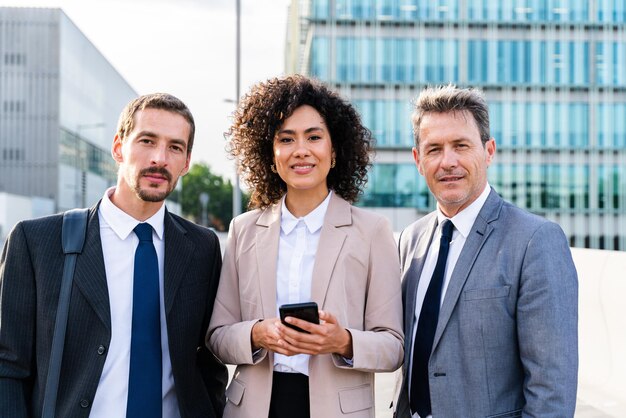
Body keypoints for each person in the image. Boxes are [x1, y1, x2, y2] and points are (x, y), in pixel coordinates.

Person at [0, 93, 228, 418]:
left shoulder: (202, 248)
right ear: (118, 147)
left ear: (186, 162)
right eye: (147, 141)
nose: (160, 158)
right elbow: (8, 365)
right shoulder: (37, 242)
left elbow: (209, 361)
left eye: (175, 147)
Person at [207, 75, 403, 418]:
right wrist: (256, 334)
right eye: (286, 139)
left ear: (334, 151)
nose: (301, 150)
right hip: (254, 407)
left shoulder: (373, 232)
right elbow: (218, 335)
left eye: (314, 137)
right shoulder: (244, 230)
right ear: (271, 154)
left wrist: (342, 341)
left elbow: (393, 347)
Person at [393, 85, 578, 417]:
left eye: (461, 146)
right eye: (434, 149)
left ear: (488, 151)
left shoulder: (535, 241)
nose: (448, 162)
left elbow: (552, 389)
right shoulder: (411, 239)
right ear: (418, 160)